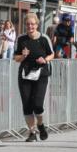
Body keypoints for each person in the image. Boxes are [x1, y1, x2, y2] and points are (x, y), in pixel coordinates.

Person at [15, 12, 54, 142]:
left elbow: (52, 54)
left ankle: (41, 125)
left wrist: (45, 59)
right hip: (25, 75)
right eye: (28, 24)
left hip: (41, 74)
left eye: (32, 24)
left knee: (37, 104)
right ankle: (32, 133)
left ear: (37, 25)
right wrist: (23, 55)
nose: (30, 26)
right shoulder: (21, 39)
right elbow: (16, 58)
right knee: (27, 105)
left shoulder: (44, 38)